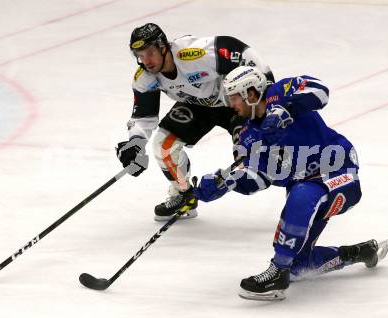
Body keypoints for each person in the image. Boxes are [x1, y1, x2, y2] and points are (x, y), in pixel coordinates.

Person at [193, 66, 388, 301]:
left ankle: (277, 272)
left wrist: (282, 110)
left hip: (339, 170)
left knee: (302, 193)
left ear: (252, 93)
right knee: (299, 267)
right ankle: (358, 252)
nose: (231, 104)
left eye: (234, 97)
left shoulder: (280, 91)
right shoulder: (249, 135)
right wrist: (227, 182)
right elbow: (261, 177)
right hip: (308, 188)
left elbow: (321, 91)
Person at [116, 23, 274, 221]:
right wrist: (135, 143)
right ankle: (184, 194)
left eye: (149, 53)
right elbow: (143, 117)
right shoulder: (145, 78)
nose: (145, 61)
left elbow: (240, 51)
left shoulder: (191, 53)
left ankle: (299, 190)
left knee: (248, 153)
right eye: (139, 55)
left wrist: (268, 91)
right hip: (197, 106)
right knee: (163, 147)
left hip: (234, 102)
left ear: (163, 47)